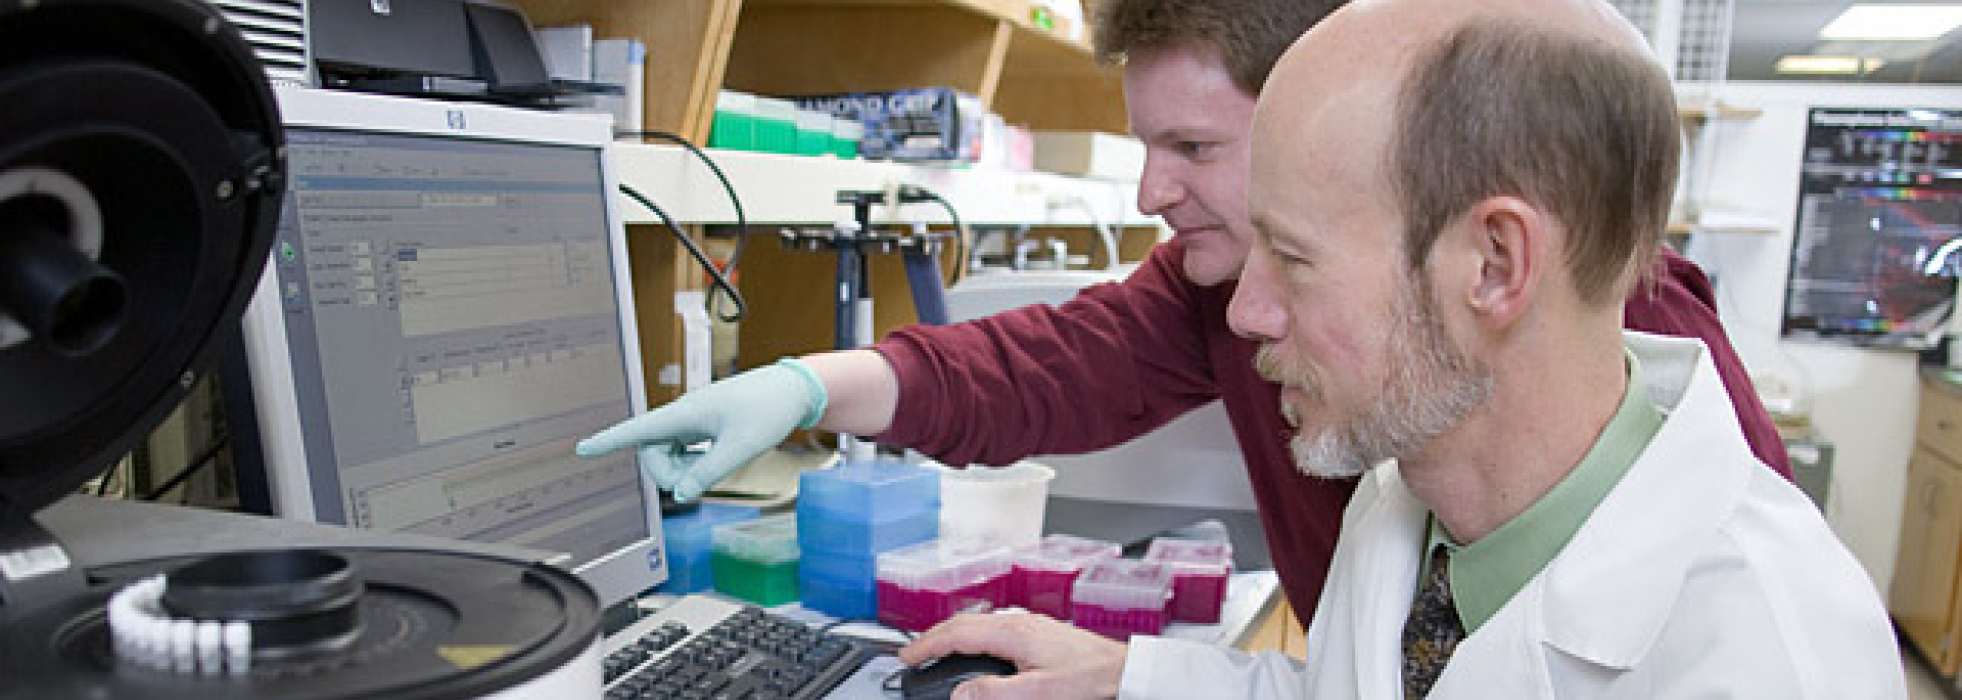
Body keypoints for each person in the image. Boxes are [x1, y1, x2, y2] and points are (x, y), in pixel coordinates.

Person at [578, 0, 1790, 627]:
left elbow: (1724, 595)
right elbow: (1041, 366)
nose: (1154, 189)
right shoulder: (1225, 294)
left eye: (1194, 145)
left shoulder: (1629, 352)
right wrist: (809, 381)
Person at [899, 0, 1905, 697]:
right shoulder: (1409, 488)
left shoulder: (1773, 658)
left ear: (1495, 266)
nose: (1242, 315)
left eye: (1291, 258)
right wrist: (1130, 675)